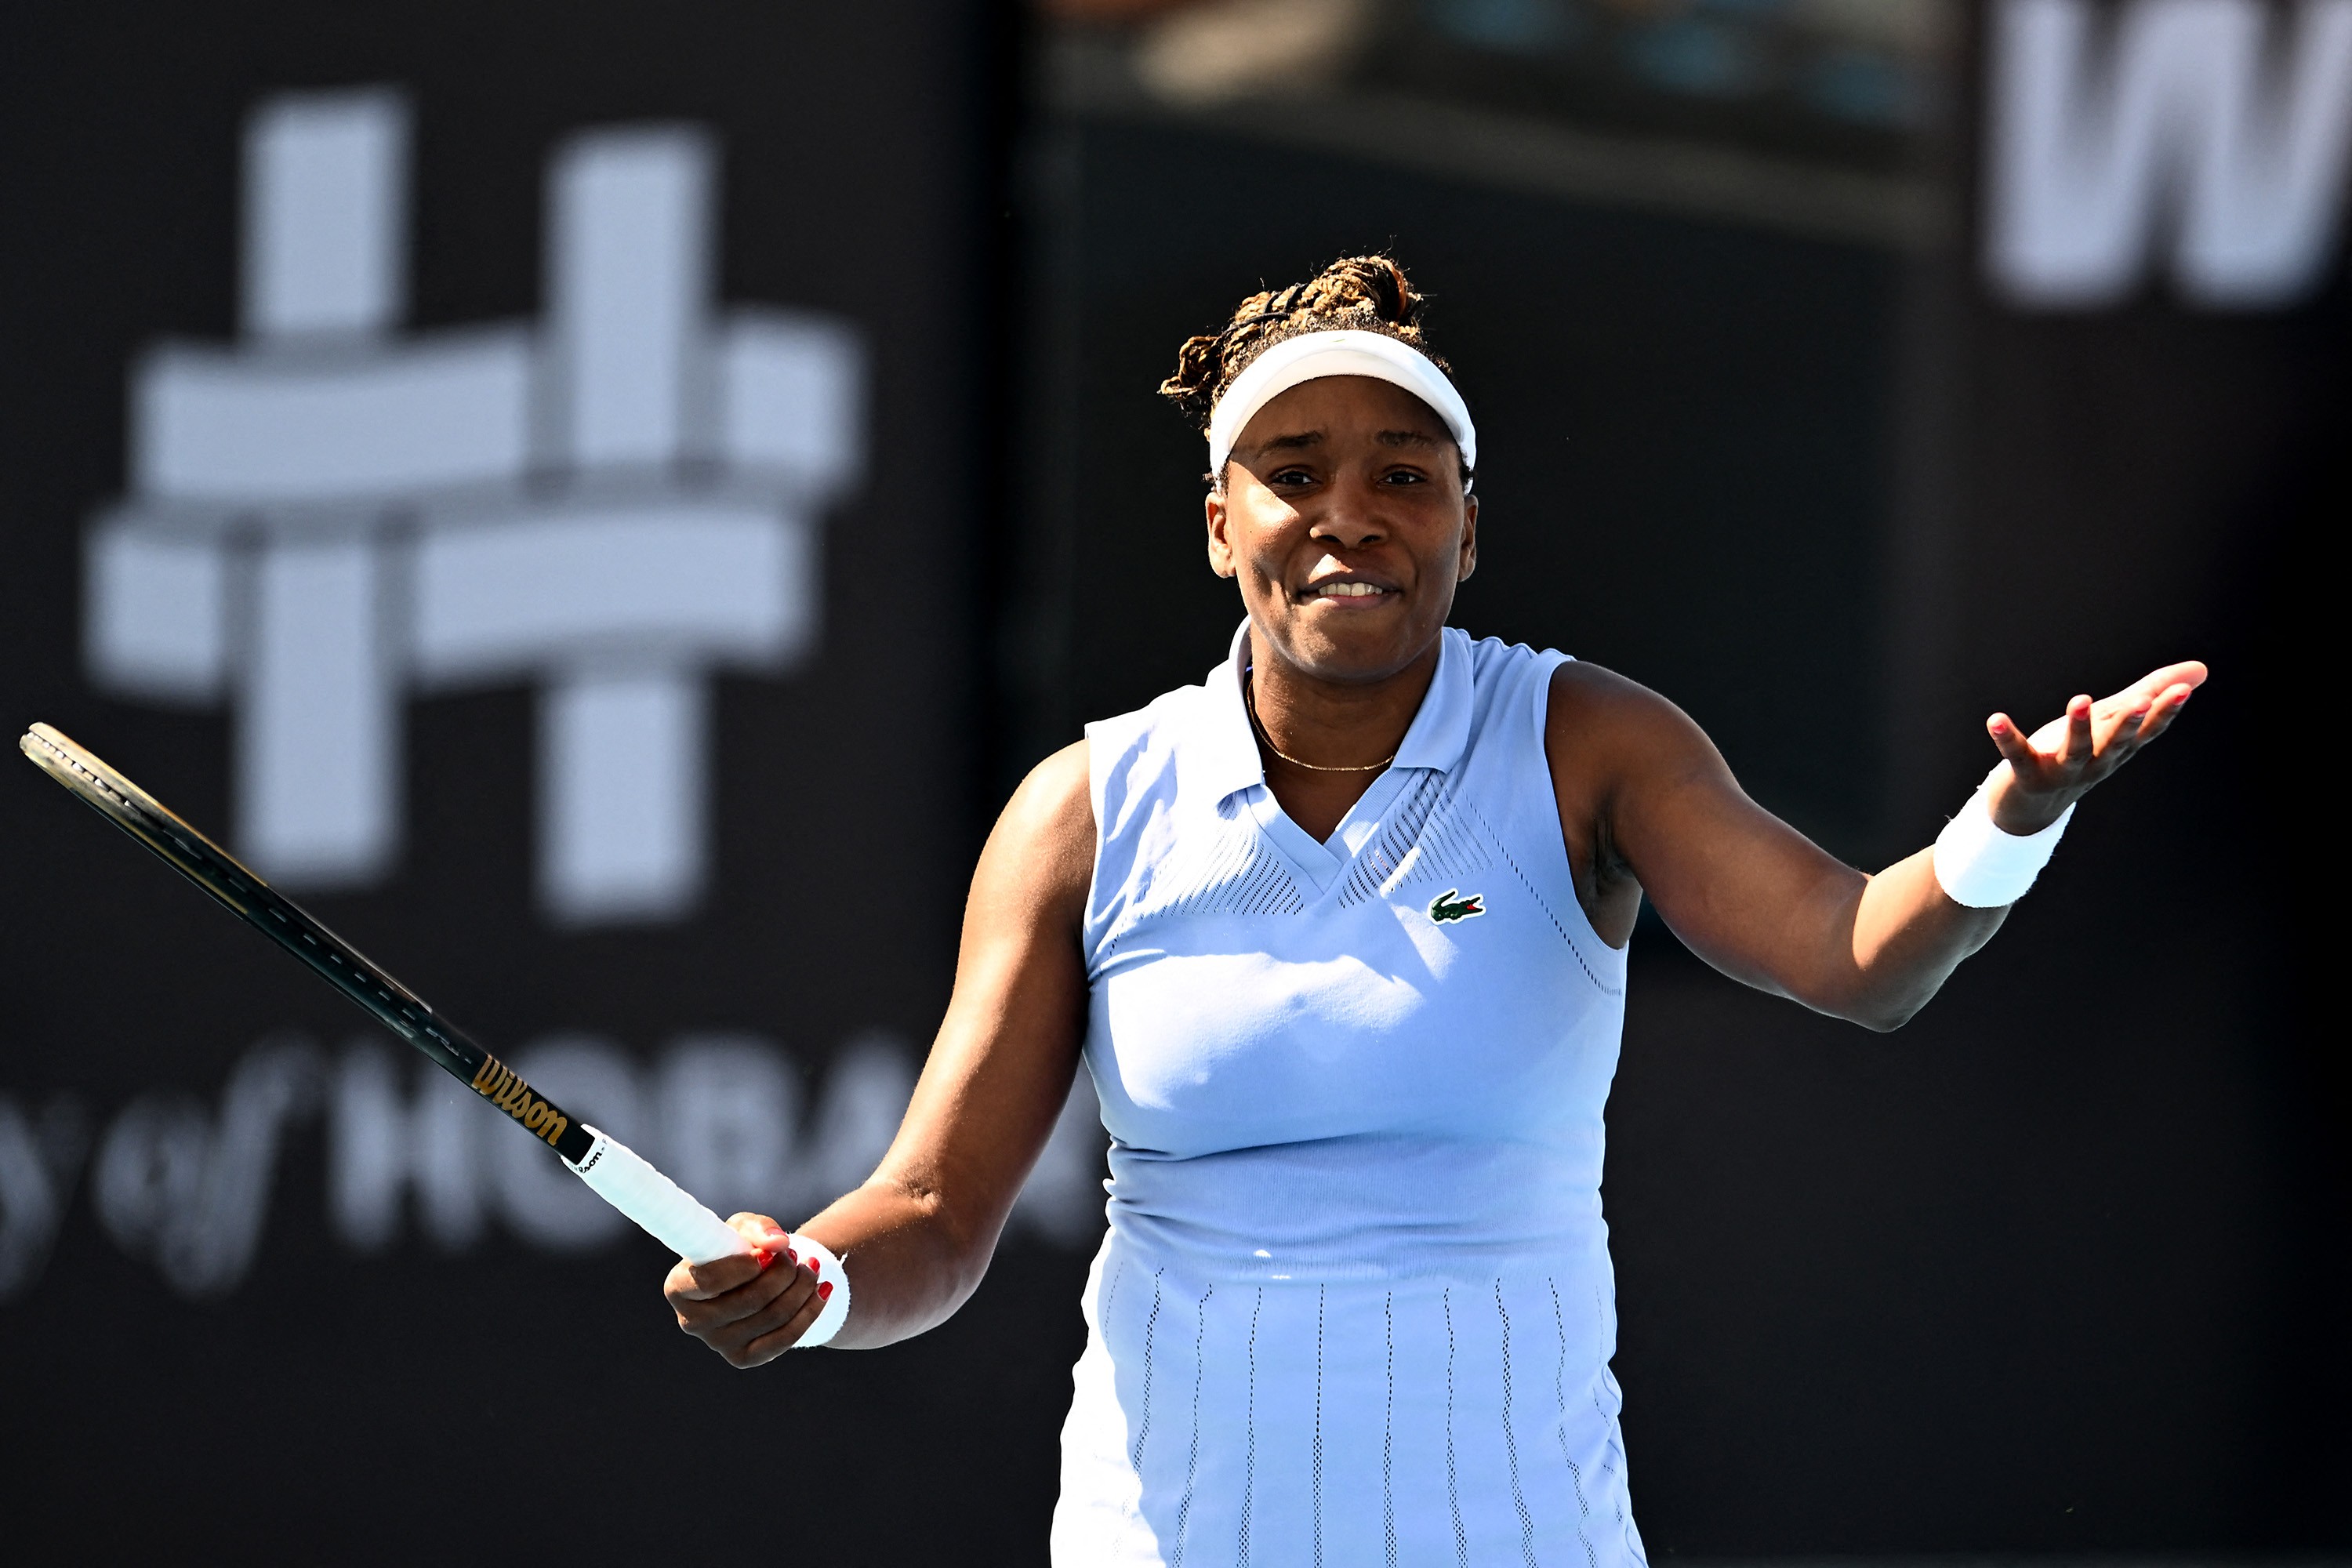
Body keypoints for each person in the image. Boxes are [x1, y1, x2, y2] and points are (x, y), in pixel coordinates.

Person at [661, 256, 2203, 1564]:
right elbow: (931, 1212)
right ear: (1219, 523)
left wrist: (2012, 817)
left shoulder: (1589, 743)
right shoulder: (1086, 809)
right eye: (1293, 472)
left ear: (1470, 525)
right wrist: (820, 1285)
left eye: (1405, 474)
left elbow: (1859, 958)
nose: (1351, 512)